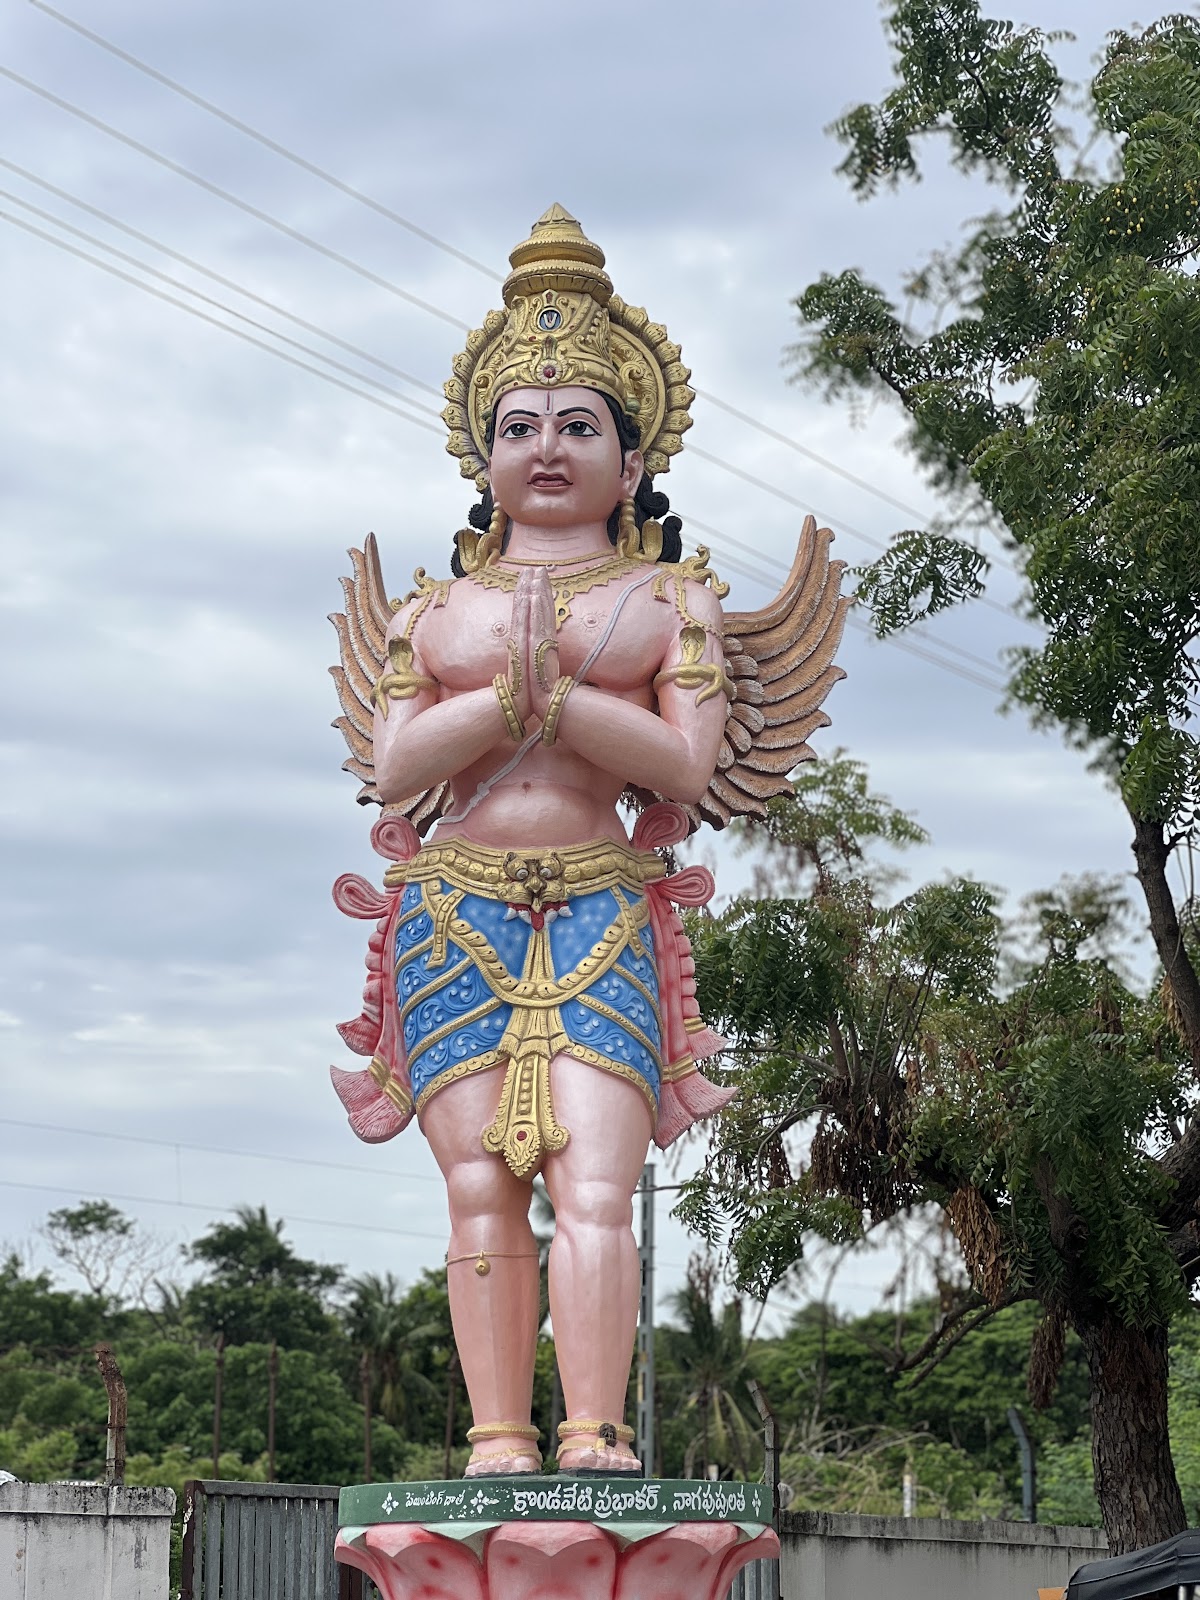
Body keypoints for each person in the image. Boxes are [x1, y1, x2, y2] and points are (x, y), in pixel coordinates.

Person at [329, 206, 848, 1478]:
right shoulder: (431, 612)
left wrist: (554, 700)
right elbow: (396, 768)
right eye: (519, 427)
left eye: (578, 425)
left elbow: (683, 764)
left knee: (597, 1187)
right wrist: (503, 698)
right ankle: (500, 1440)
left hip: (604, 908)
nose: (547, 447)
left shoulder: (672, 599)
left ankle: (597, 1433)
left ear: (632, 456)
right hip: (454, 909)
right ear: (482, 455)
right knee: (477, 1189)